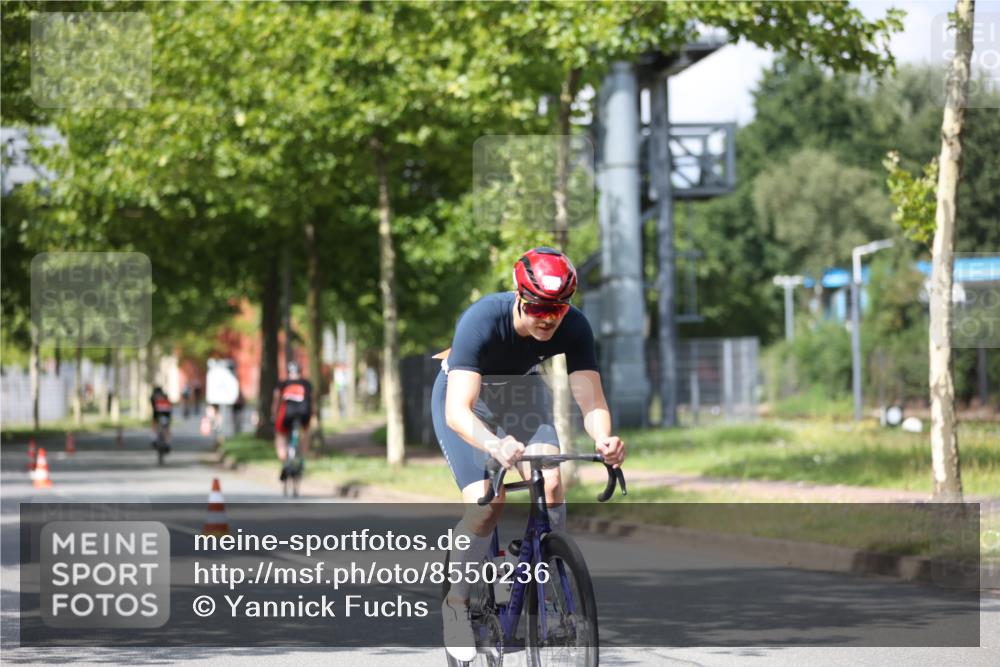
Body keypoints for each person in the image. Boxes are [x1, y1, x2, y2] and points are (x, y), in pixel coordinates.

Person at [430, 247, 626, 661]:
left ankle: (551, 585)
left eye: (557, 308)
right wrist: (493, 444)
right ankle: (457, 603)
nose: (548, 318)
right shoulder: (483, 319)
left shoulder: (574, 326)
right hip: (468, 399)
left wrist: (603, 438)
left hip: (521, 391)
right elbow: (457, 412)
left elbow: (590, 398)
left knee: (551, 481)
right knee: (487, 502)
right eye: (538, 307)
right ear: (520, 296)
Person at [272, 361, 313, 479]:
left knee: (280, 435)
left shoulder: (283, 383)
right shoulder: (306, 384)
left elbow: (277, 400)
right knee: (306, 432)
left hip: (287, 414)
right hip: (304, 414)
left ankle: (284, 460)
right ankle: (302, 459)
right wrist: (313, 415)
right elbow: (312, 401)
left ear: (288, 372)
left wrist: (274, 414)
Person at [149, 386, 173, 450]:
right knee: (166, 428)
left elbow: (153, 407)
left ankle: (154, 440)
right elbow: (169, 406)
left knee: (154, 426)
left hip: (157, 414)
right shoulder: (165, 396)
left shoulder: (152, 397)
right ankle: (168, 443)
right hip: (166, 414)